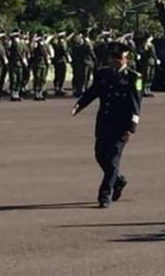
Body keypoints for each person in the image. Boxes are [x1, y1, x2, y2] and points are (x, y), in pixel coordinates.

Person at [72, 40, 143, 208]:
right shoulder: (103, 74)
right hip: (104, 122)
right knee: (99, 155)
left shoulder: (134, 78)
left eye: (119, 58)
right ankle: (118, 181)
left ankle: (105, 195)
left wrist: (131, 128)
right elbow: (93, 91)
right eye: (113, 57)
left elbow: (136, 105)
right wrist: (79, 105)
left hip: (121, 126)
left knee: (112, 160)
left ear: (126, 58)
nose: (115, 61)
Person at [52, 32, 70, 97]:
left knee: (62, 75)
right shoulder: (57, 45)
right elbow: (64, 51)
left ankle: (60, 88)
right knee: (58, 75)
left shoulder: (63, 44)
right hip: (59, 61)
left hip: (62, 61)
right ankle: (57, 88)